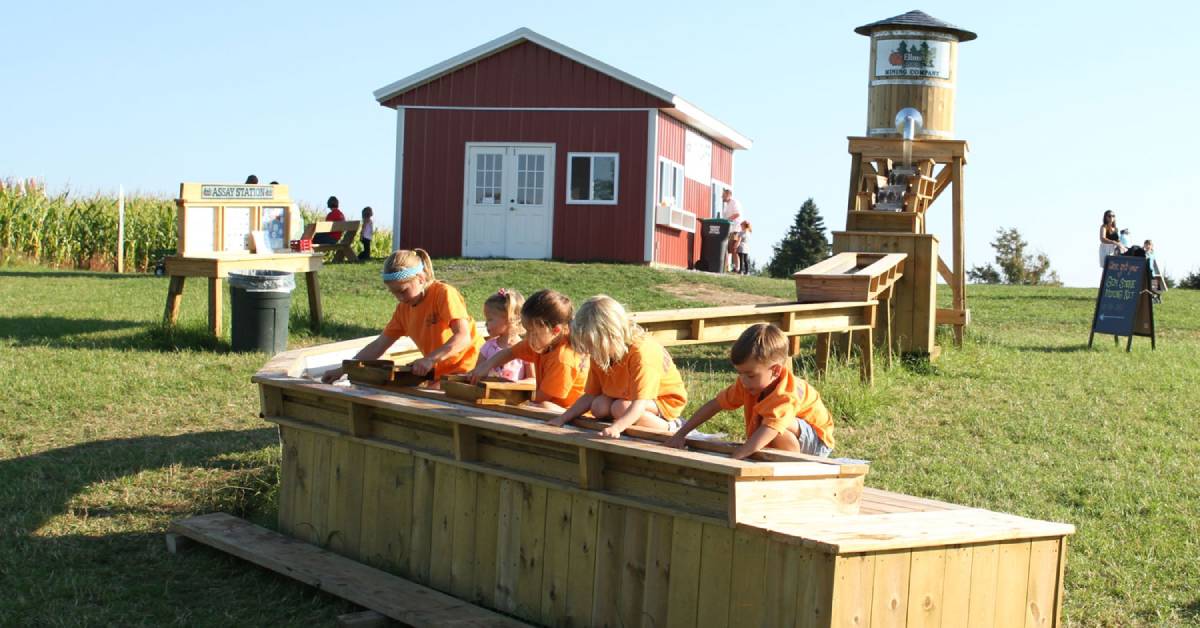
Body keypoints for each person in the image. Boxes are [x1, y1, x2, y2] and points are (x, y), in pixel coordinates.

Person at [665, 324, 834, 459]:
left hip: (816, 445)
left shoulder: (786, 393)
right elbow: (715, 405)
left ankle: (792, 468)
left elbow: (771, 429)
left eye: (750, 375)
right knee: (765, 427)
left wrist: (738, 456)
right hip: (779, 431)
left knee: (774, 425)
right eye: (740, 373)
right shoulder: (746, 383)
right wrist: (681, 433)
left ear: (775, 370)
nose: (744, 381)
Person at [319, 249, 482, 386]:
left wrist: (430, 360)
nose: (400, 298)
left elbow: (463, 337)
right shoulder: (404, 310)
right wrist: (343, 370)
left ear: (421, 278)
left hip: (473, 369)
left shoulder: (443, 294)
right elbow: (378, 346)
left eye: (403, 291)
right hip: (440, 374)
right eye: (394, 293)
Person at [548, 295, 687, 438]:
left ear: (612, 334)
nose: (589, 350)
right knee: (598, 406)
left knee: (621, 408)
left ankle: (672, 426)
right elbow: (590, 395)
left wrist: (617, 427)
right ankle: (627, 419)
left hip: (661, 400)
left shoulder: (642, 353)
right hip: (624, 395)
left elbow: (639, 403)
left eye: (592, 344)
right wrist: (562, 418)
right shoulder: (601, 353)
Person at [470, 289, 588, 412]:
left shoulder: (563, 359)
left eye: (533, 332)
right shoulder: (543, 341)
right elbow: (510, 352)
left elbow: (542, 397)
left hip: (571, 412)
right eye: (527, 331)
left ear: (555, 330)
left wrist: (502, 393)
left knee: (541, 406)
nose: (528, 337)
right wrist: (487, 365)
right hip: (546, 404)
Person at [476, 289, 531, 382]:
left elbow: (533, 379)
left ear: (509, 319)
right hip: (487, 395)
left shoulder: (525, 349)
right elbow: (477, 374)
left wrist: (514, 385)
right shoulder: (487, 347)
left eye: (489, 319)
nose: (486, 324)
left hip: (513, 396)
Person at [722, 189, 743, 273]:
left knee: (733, 248)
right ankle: (726, 267)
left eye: (723, 195)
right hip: (729, 230)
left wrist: (728, 220)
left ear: (728, 195)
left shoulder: (734, 202)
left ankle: (737, 268)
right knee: (726, 248)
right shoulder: (726, 206)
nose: (722, 197)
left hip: (736, 230)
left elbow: (737, 214)